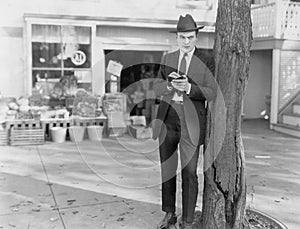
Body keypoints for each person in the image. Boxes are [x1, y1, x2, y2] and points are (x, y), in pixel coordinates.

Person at [152, 14, 217, 229]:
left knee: (189, 173)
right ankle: (169, 214)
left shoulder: (207, 59)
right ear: (177, 38)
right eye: (182, 37)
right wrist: (170, 87)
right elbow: (156, 88)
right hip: (168, 120)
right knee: (167, 169)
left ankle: (187, 221)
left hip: (192, 122)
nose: (186, 42)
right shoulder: (168, 58)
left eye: (190, 37)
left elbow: (212, 92)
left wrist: (190, 89)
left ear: (196, 36)